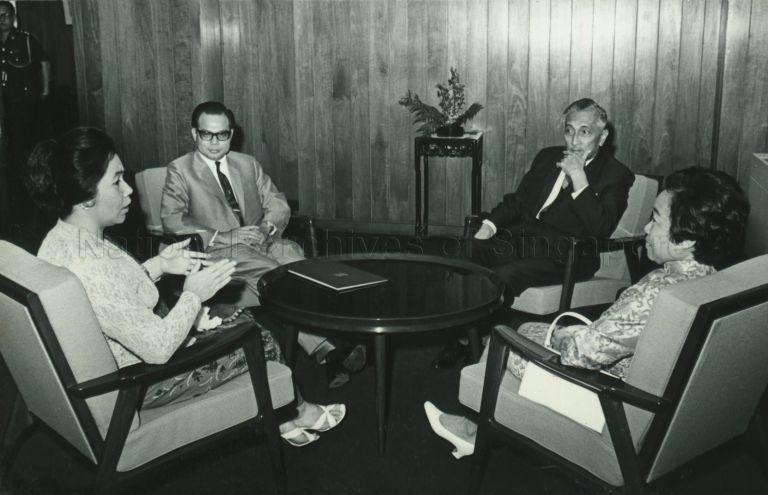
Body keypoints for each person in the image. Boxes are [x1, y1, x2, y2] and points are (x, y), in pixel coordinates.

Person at [26, 127, 344, 447]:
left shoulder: (67, 239)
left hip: (128, 353)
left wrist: (159, 266)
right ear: (85, 197)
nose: (129, 191)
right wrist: (193, 294)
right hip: (140, 382)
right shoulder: (89, 265)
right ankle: (296, 413)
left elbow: (111, 296)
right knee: (257, 336)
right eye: (116, 181)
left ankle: (285, 417)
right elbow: (158, 348)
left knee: (235, 313)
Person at [424, 166, 750, 458]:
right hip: (649, 397)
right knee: (529, 331)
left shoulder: (655, 295)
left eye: (656, 219)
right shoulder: (711, 280)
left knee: (506, 336)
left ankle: (477, 432)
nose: (647, 228)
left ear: (686, 240)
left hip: (607, 402)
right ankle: (479, 426)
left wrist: (566, 334)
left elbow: (581, 355)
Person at [160, 101, 366, 388]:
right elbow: (171, 218)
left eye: (223, 134)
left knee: (297, 262)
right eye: (207, 134)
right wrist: (222, 236)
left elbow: (278, 204)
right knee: (275, 278)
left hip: (263, 241)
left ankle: (332, 344)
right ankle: (329, 351)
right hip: (220, 252)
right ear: (195, 134)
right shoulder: (181, 170)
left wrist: (266, 227)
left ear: (232, 133)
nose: (215, 142)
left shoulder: (247, 164)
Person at [433, 98, 634, 368]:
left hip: (568, 253)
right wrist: (489, 226)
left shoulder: (616, 175)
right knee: (463, 252)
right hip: (522, 239)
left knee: (503, 276)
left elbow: (599, 228)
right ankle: (458, 335)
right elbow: (518, 201)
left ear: (603, 136)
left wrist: (579, 178)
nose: (574, 141)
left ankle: (479, 346)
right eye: (569, 130)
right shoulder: (548, 157)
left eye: (584, 132)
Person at [0, 1, 50, 191]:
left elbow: (44, 62)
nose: (1, 20)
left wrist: (45, 90)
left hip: (24, 101)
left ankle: (30, 184)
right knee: (8, 146)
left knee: (25, 144)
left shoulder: (26, 39)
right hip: (3, 104)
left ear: (13, 17)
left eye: (5, 15)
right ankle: (12, 183)